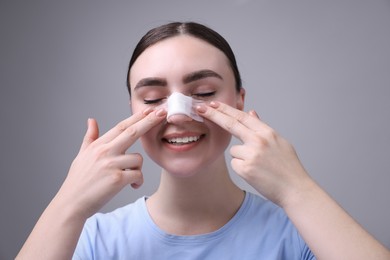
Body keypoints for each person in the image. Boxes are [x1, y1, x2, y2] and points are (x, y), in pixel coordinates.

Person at [17, 21, 390, 260]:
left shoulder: (298, 234)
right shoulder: (93, 239)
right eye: (151, 99)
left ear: (239, 101)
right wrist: (67, 204)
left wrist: (298, 190)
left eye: (205, 91)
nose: (178, 114)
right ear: (131, 108)